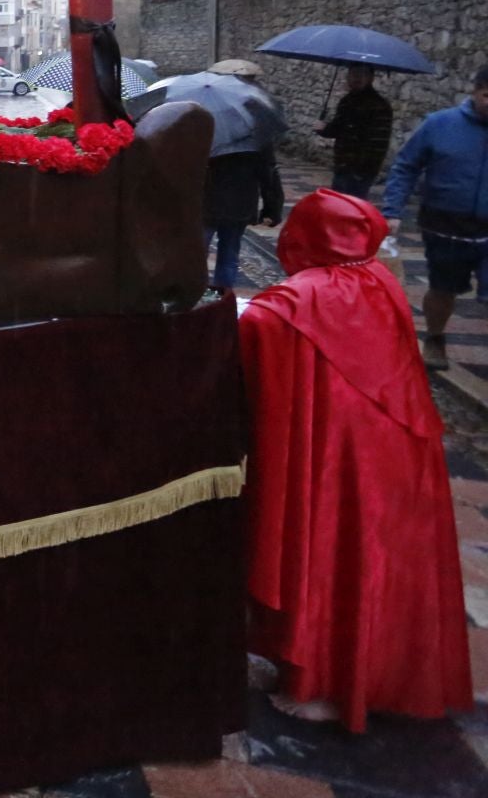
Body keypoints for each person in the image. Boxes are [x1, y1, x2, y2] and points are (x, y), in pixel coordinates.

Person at [239, 189, 470, 731]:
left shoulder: (303, 296)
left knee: (326, 554)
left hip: (333, 451)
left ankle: (324, 686)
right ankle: (366, 675)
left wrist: (238, 313)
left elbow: (258, 331)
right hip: (395, 448)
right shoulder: (379, 279)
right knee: (377, 559)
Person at [381, 65, 488, 371]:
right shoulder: (440, 124)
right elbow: (406, 166)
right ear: (475, 90)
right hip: (445, 225)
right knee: (443, 287)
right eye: (487, 96)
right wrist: (392, 210)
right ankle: (435, 336)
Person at [204, 141, 283, 292]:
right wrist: (272, 209)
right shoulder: (256, 137)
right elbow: (269, 174)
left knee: (199, 253)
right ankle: (223, 295)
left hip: (208, 202)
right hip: (240, 203)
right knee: (229, 253)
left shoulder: (209, 134)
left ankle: (195, 293)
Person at [315, 66, 393, 201]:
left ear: (371, 78)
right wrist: (323, 129)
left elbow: (378, 143)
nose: (357, 78)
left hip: (360, 171)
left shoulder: (379, 105)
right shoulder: (346, 101)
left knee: (353, 206)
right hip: (342, 166)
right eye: (354, 74)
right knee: (336, 204)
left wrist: (363, 171)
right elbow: (337, 128)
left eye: (362, 74)